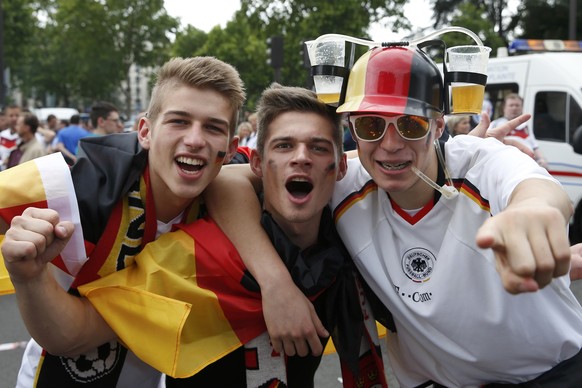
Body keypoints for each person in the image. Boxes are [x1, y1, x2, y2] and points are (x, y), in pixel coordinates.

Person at [206, 44, 582, 386]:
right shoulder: (341, 180)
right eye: (371, 125)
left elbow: (536, 190)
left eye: (410, 124)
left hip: (552, 373)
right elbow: (226, 183)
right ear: (354, 129)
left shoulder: (482, 161)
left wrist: (533, 213)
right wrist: (276, 284)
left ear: (437, 127)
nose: (389, 144)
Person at [0, 56, 246, 387]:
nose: (196, 139)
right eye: (178, 121)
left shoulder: (226, 203)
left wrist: (277, 284)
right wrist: (27, 273)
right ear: (145, 131)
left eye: (213, 127)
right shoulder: (81, 186)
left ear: (230, 149)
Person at [166, 84, 386, 387]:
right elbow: (102, 320)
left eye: (319, 147)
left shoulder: (351, 246)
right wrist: (277, 283)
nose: (302, 158)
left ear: (340, 167)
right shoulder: (191, 257)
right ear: (256, 163)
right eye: (284, 146)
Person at [490, 93, 548, 168]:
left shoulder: (525, 126)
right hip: (506, 166)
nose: (514, 108)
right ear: (504, 108)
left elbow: (535, 147)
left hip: (527, 165)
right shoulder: (495, 124)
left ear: (522, 107)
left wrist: (542, 159)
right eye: (511, 105)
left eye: (517, 105)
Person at [0, 104, 21, 170]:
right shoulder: (2, 135)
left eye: (17, 115)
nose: (14, 118)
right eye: (11, 116)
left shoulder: (26, 136)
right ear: (6, 117)